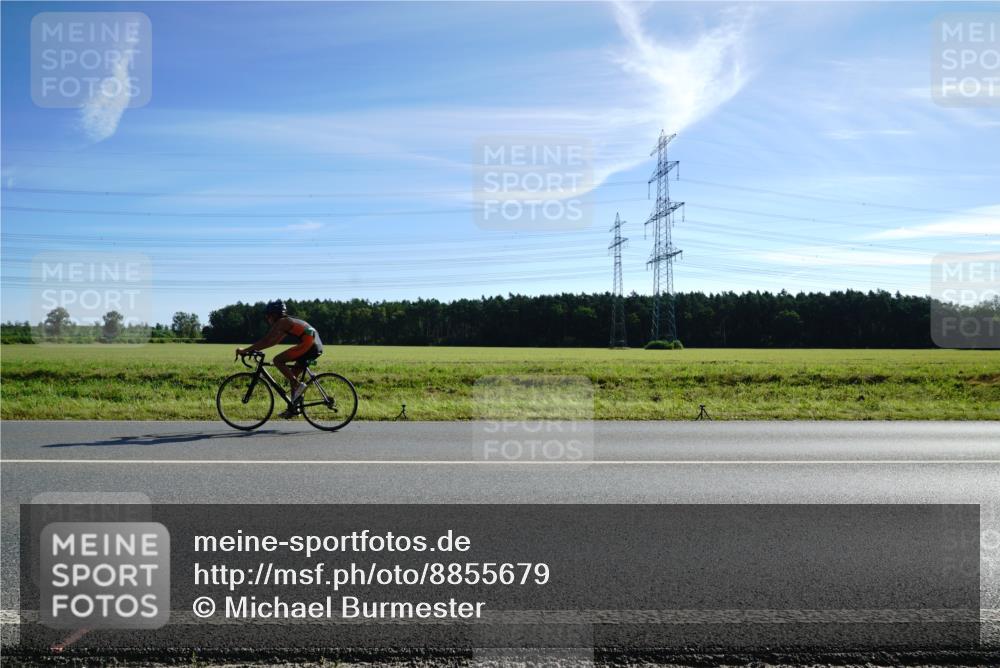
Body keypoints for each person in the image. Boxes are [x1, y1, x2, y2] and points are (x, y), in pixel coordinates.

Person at [236, 300, 323, 416]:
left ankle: (298, 385)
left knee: (278, 360)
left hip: (310, 344)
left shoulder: (282, 322)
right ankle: (293, 408)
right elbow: (273, 342)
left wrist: (245, 350)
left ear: (274, 314)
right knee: (293, 374)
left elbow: (266, 340)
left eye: (268, 316)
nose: (267, 319)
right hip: (315, 344)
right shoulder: (287, 322)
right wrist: (255, 349)